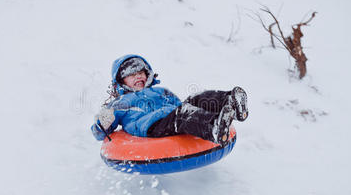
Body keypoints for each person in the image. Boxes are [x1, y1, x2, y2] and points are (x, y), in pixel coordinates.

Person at [91, 54, 248, 145]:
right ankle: (214, 127)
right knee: (182, 115)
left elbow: (180, 105)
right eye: (132, 75)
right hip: (150, 125)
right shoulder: (120, 103)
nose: (138, 76)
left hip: (172, 116)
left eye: (141, 72)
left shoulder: (161, 91)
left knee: (195, 98)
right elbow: (99, 133)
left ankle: (230, 102)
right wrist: (102, 123)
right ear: (121, 82)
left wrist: (194, 108)